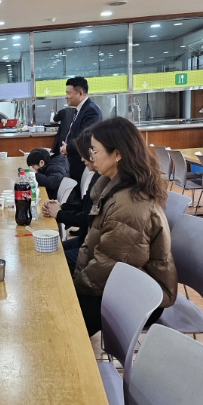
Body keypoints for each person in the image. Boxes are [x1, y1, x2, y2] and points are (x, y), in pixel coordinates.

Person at [73, 117, 178, 337]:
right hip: (118, 283)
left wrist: (73, 285)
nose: (91, 157)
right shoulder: (113, 187)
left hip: (140, 298)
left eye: (94, 151)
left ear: (117, 154)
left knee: (62, 313)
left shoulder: (130, 205)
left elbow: (108, 268)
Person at [43, 128, 100, 273]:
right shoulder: (99, 176)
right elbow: (85, 203)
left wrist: (59, 214)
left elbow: (87, 217)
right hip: (87, 240)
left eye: (93, 152)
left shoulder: (110, 182)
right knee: (47, 251)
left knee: (49, 260)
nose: (82, 159)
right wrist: (62, 207)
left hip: (96, 251)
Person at [59, 77, 102, 182]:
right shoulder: (80, 109)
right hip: (74, 160)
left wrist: (68, 148)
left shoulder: (91, 111)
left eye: (69, 93)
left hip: (82, 162)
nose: (66, 96)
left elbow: (86, 138)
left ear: (81, 93)